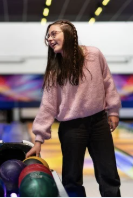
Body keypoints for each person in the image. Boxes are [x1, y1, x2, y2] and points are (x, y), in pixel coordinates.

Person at [25, 20, 123, 197]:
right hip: (71, 128)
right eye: (48, 36)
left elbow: (108, 82)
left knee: (108, 174)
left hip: (99, 122)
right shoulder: (55, 70)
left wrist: (113, 111)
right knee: (71, 179)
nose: (49, 38)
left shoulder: (94, 54)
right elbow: (48, 105)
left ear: (69, 34)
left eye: (54, 33)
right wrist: (38, 139)